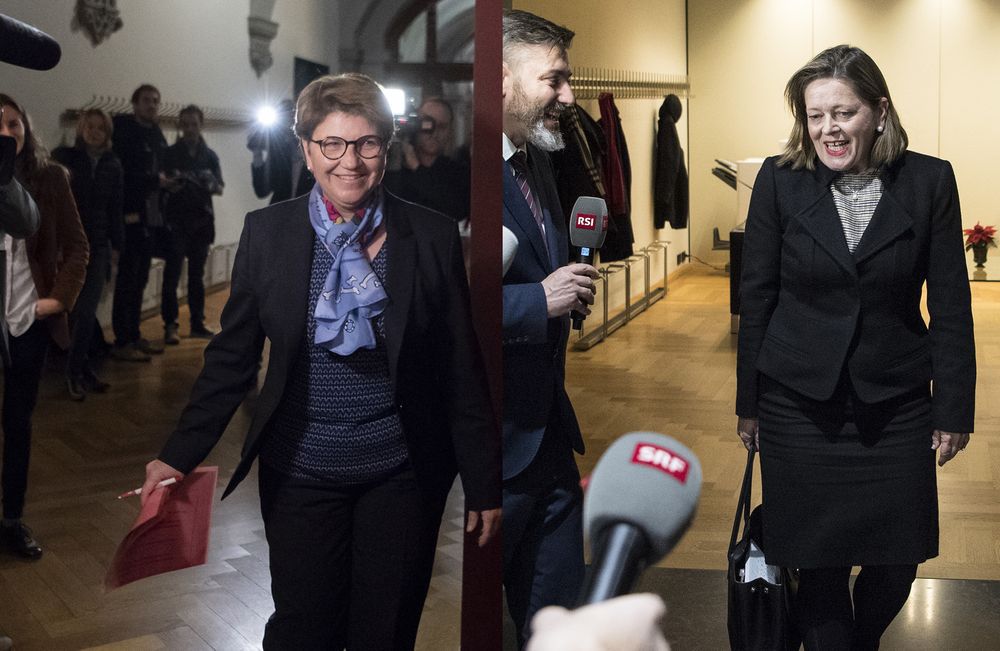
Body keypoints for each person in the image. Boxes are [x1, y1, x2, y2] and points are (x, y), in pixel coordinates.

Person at [140, 73, 500, 650]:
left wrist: (484, 482)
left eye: (366, 143)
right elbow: (231, 360)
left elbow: (461, 366)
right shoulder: (268, 234)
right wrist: (177, 455)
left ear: (385, 145)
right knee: (302, 632)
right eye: (331, 144)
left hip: (402, 476)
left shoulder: (428, 235)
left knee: (384, 635)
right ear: (306, 149)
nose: (349, 162)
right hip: (300, 474)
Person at [735, 45, 975, 649]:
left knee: (898, 561)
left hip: (894, 403)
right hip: (797, 405)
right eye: (815, 116)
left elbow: (949, 303)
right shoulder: (779, 180)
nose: (828, 129)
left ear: (880, 111)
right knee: (819, 567)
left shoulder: (929, 181)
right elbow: (756, 298)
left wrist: (954, 407)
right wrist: (750, 403)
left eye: (843, 113)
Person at [501, 10, 598, 648]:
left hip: (545, 430)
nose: (569, 97)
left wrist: (567, 288)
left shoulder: (535, 160)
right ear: (498, 79)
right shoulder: (463, 177)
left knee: (560, 611)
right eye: (555, 80)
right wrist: (538, 301)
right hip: (493, 441)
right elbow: (429, 306)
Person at [0, 94, 88, 559]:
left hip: (28, 318)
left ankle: (11, 519)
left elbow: (78, 246)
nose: (6, 132)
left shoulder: (49, 176)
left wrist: (58, 299)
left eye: (14, 123)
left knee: (18, 421)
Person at [52, 108, 123, 399]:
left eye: (101, 128)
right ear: (81, 129)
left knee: (86, 311)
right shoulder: (65, 158)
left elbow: (115, 209)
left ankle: (78, 369)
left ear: (107, 133)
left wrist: (117, 248)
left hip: (100, 245)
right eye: (90, 127)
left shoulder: (113, 164)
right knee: (76, 313)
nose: (95, 132)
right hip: (69, 246)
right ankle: (76, 371)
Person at [110, 83, 167, 362]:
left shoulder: (155, 133)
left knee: (141, 278)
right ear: (134, 103)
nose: (152, 105)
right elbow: (123, 175)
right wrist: (155, 180)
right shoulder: (122, 131)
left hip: (151, 217)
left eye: (155, 100)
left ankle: (134, 335)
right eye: (146, 100)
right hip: (129, 216)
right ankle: (123, 340)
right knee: (127, 280)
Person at [160, 104, 223, 344]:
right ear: (180, 125)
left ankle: (197, 323)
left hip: (202, 222)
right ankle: (170, 325)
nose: (189, 129)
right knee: (172, 275)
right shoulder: (170, 153)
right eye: (185, 124)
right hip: (176, 221)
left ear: (201, 125)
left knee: (197, 277)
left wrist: (209, 184)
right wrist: (169, 183)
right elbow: (161, 182)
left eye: (194, 124)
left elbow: (219, 187)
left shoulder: (210, 155)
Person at [384, 97, 470, 222]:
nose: (434, 133)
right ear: (415, 125)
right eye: (427, 124)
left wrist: (417, 167)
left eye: (441, 126)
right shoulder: (395, 168)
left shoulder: (459, 172)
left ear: (450, 131)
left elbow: (455, 210)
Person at [248, 98, 313, 204]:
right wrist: (257, 152)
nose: (286, 129)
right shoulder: (279, 155)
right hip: (281, 215)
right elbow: (262, 191)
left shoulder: (313, 153)